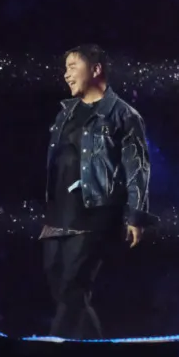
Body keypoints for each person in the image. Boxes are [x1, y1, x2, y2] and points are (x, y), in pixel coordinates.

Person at [40, 44, 153, 339]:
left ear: (96, 69)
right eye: (65, 68)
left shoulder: (123, 114)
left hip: (95, 212)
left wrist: (135, 215)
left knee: (73, 285)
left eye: (72, 67)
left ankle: (51, 348)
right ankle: (96, 349)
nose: (66, 75)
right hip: (58, 212)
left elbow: (137, 168)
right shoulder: (65, 113)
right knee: (62, 286)